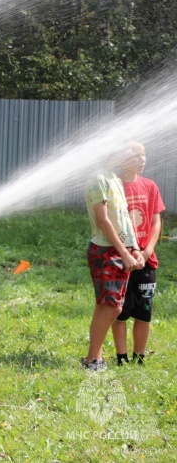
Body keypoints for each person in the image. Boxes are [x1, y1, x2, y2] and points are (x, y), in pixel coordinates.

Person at [82, 144, 145, 371]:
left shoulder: (115, 179)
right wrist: (124, 253)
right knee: (112, 308)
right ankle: (91, 361)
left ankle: (95, 358)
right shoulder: (97, 178)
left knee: (107, 305)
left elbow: (124, 219)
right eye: (125, 149)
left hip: (119, 250)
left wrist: (134, 248)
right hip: (104, 250)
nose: (129, 154)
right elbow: (103, 221)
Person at [112, 141, 164, 366]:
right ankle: (121, 358)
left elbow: (155, 221)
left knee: (144, 312)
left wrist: (147, 251)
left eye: (143, 156)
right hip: (119, 259)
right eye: (136, 156)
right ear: (123, 160)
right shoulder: (113, 186)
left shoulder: (150, 186)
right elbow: (109, 222)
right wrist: (126, 252)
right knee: (119, 312)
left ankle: (139, 358)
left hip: (146, 261)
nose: (142, 160)